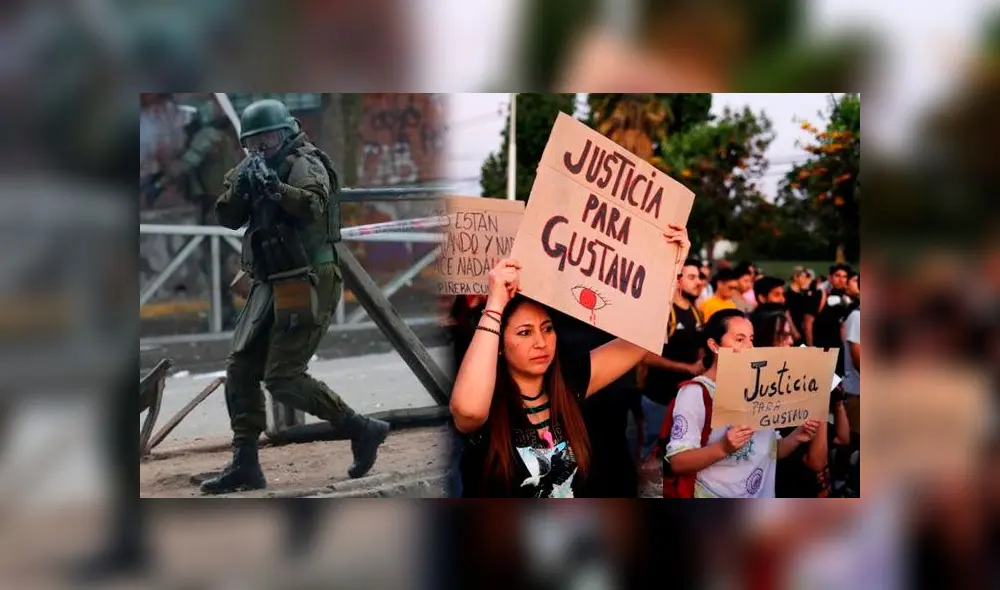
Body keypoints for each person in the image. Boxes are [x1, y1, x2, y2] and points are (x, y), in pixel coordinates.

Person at [199, 99, 389, 494]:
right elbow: (228, 217)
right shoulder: (251, 167)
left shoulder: (305, 162)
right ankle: (245, 461)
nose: (261, 147)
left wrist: (276, 188)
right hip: (268, 280)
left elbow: (314, 204)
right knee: (240, 367)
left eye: (267, 137)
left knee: (283, 378)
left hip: (307, 278)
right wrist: (242, 188)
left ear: (285, 133)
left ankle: (361, 428)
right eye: (252, 141)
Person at [449, 226, 691, 497]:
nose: (541, 342)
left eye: (548, 328)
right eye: (524, 332)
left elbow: (640, 339)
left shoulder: (569, 382)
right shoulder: (487, 400)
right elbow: (468, 411)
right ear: (499, 343)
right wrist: (495, 303)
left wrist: (672, 267)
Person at [663, 309, 822, 498]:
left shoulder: (760, 389)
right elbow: (678, 462)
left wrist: (797, 436)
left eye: (751, 339)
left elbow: (768, 450)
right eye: (739, 339)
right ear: (714, 345)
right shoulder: (696, 392)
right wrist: (723, 447)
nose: (749, 347)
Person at [750, 308, 850, 497]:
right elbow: (815, 462)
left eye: (790, 335)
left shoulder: (797, 381)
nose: (791, 341)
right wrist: (817, 395)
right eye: (783, 336)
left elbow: (842, 438)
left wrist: (837, 401)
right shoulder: (765, 395)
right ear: (764, 341)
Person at [638, 258, 706, 460]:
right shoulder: (664, 312)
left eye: (700, 277)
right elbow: (646, 357)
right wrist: (688, 368)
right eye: (692, 277)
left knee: (680, 451)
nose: (699, 282)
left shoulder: (696, 312)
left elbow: (700, 346)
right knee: (653, 451)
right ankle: (648, 491)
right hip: (660, 396)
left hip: (686, 397)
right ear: (677, 280)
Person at [785, 266, 821, 346]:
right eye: (803, 277)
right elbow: (787, 314)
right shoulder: (788, 294)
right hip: (793, 331)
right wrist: (794, 331)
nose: (805, 279)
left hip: (802, 330)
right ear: (795, 277)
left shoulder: (802, 294)